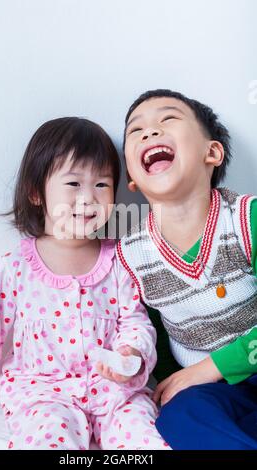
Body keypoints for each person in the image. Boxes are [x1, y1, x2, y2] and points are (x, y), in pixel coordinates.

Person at [0, 117, 168, 450]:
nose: (88, 197)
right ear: (36, 193)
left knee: (147, 438)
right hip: (44, 394)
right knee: (48, 440)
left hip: (114, 392)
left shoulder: (119, 261)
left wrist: (132, 354)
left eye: (101, 184)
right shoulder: (15, 268)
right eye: (73, 184)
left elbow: (135, 321)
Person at [117, 89, 257, 449]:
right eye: (136, 131)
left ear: (211, 152)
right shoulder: (131, 254)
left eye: (168, 120)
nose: (149, 132)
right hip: (215, 395)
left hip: (224, 368)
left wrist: (211, 367)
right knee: (179, 416)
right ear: (133, 178)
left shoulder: (246, 219)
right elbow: (151, 332)